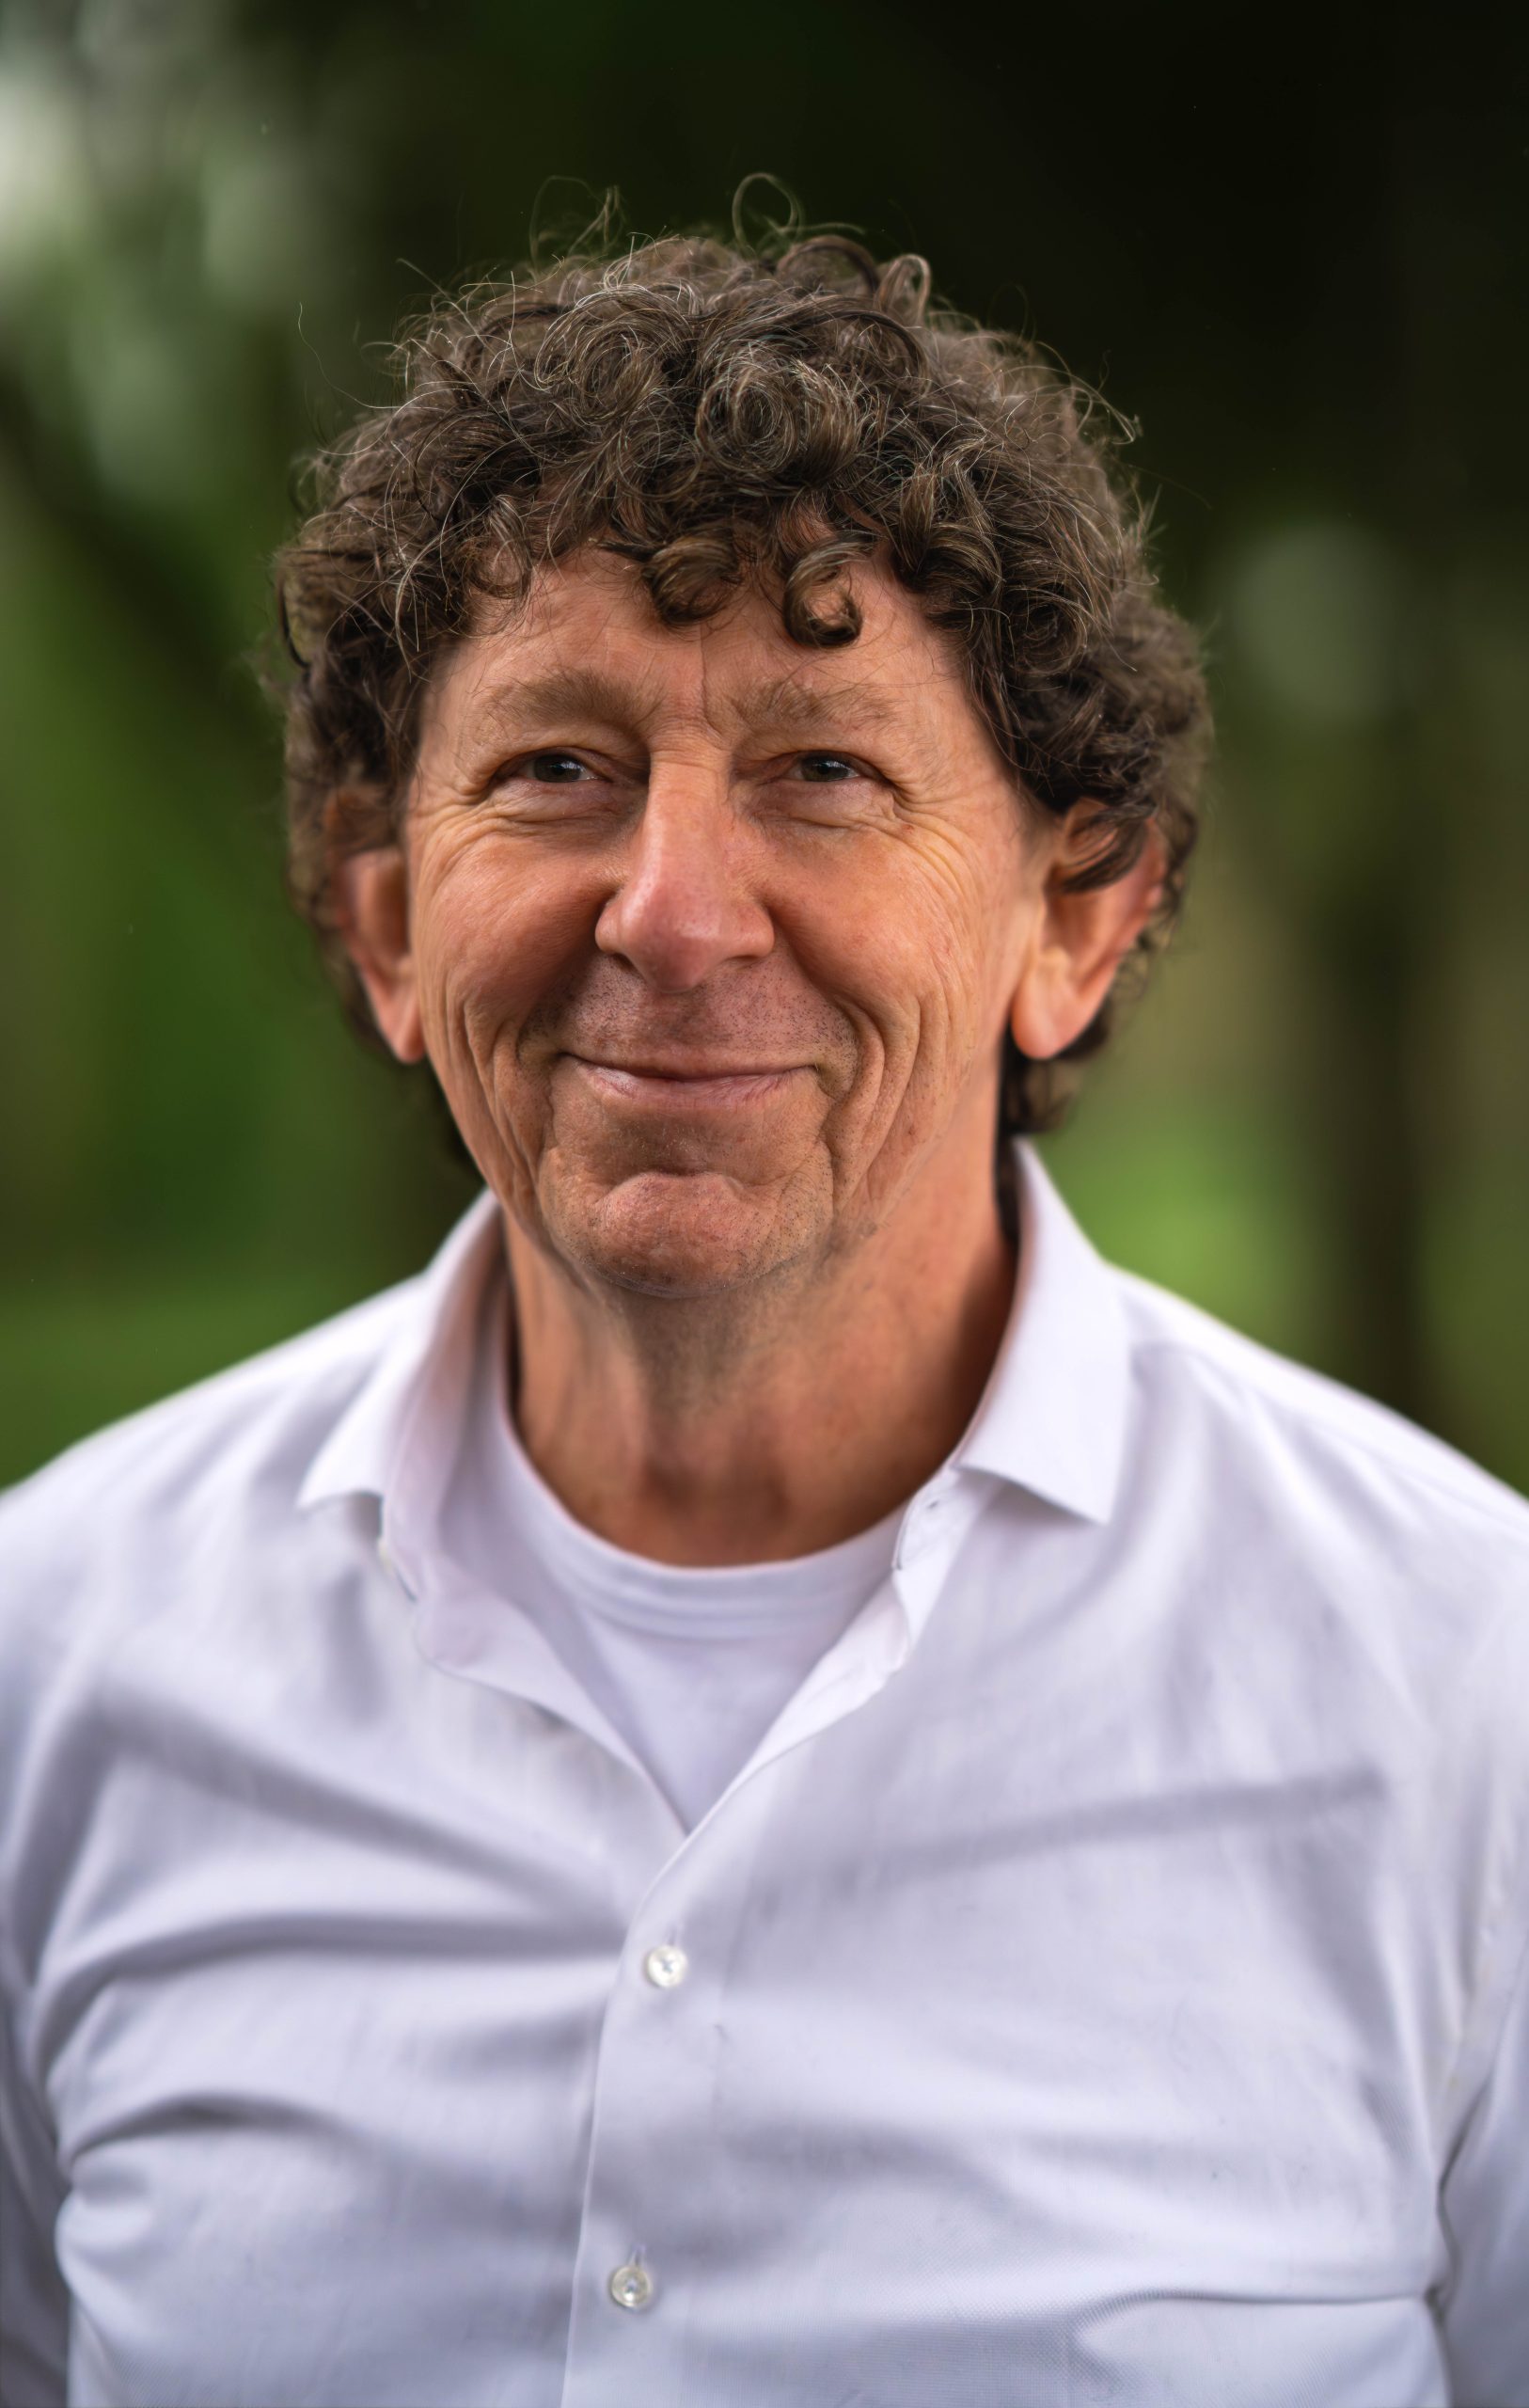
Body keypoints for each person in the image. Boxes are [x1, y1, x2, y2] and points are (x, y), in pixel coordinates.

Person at [2, 226, 1525, 2408]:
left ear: (1076, 919)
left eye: (825, 771)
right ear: (385, 918)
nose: (675, 912)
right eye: (556, 768)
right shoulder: (54, 1656)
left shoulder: (1465, 1689)